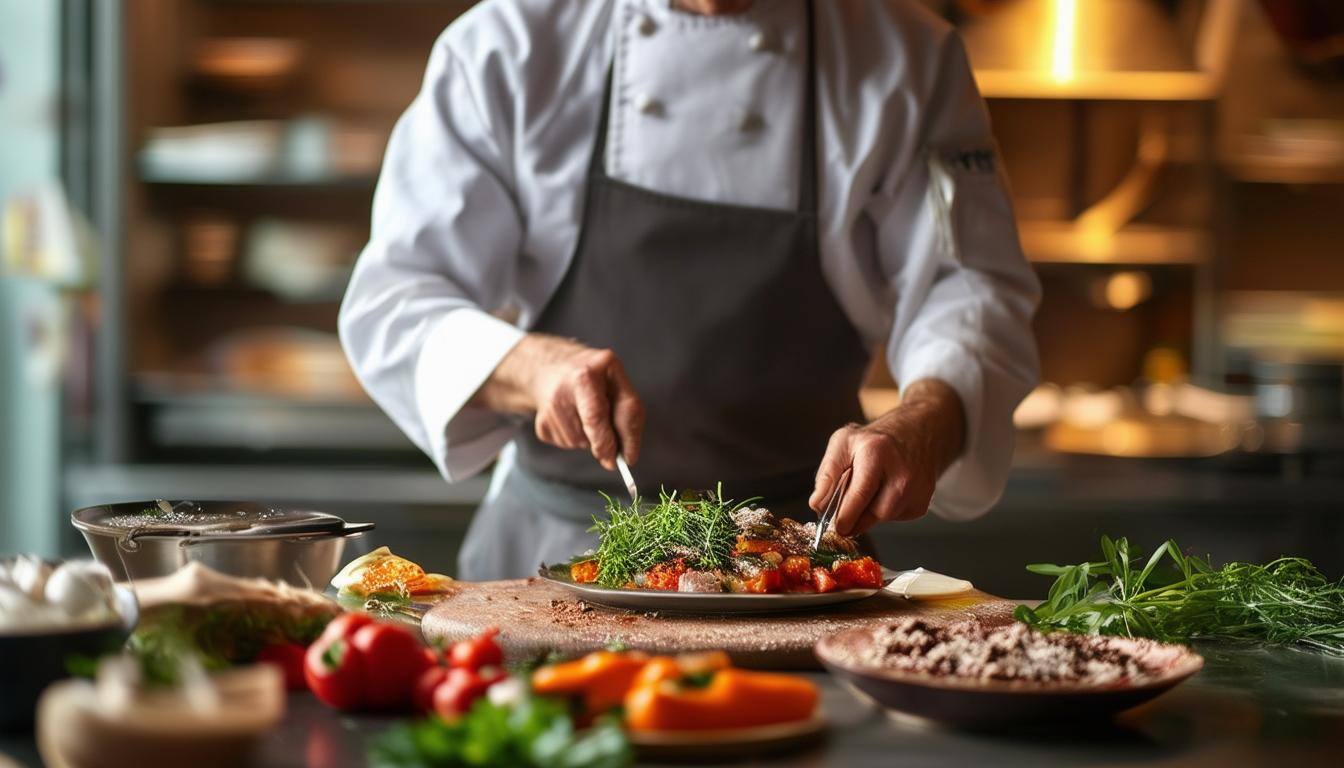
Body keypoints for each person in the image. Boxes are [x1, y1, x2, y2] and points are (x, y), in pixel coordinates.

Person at [339, 0, 1041, 580]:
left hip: (800, 567)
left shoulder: (906, 57)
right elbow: (393, 299)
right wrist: (529, 367)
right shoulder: (510, 44)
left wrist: (922, 422)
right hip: (549, 557)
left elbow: (970, 291)